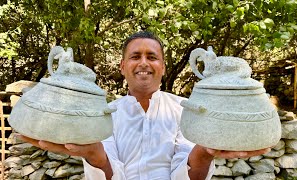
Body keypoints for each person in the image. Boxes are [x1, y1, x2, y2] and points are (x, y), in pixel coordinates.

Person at [19, 31, 270, 180]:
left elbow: (187, 176)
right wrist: (92, 154)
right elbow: (109, 174)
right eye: (135, 56)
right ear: (122, 66)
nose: (143, 63)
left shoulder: (187, 110)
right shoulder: (104, 113)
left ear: (163, 66)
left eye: (152, 57)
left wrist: (204, 153)